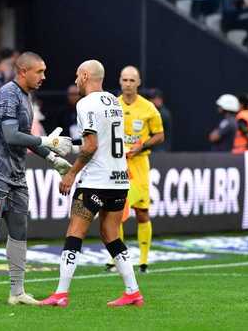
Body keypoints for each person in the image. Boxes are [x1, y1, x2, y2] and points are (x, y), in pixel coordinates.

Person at [0, 52, 73, 307]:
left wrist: (52, 159)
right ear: (23, 71)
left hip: (16, 174)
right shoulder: (8, 94)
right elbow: (11, 135)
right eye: (39, 71)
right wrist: (46, 141)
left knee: (19, 230)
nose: (44, 76)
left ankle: (17, 292)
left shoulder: (24, 96)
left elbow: (26, 136)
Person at [40, 60, 143, 308]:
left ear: (85, 76)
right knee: (110, 234)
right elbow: (103, 141)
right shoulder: (113, 101)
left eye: (77, 76)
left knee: (75, 233)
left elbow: (92, 146)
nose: (76, 80)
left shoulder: (85, 103)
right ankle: (133, 292)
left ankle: (60, 294)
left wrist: (71, 173)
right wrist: (71, 144)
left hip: (95, 181)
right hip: (119, 180)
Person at [105, 66, 164, 274]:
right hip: (118, 165)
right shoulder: (113, 105)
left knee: (142, 212)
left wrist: (142, 146)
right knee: (116, 212)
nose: (128, 84)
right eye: (125, 80)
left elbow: (159, 135)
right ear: (119, 81)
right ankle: (117, 258)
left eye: (132, 80)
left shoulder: (148, 108)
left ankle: (144, 260)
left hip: (139, 166)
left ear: (138, 83)